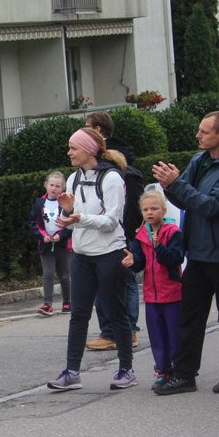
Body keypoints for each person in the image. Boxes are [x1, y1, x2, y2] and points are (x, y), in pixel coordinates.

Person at [45, 128, 136, 392]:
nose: (69, 152)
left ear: (88, 150)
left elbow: (111, 221)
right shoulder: (73, 179)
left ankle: (127, 369)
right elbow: (77, 222)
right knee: (79, 315)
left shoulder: (112, 179)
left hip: (110, 254)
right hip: (83, 256)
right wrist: (70, 214)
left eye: (73, 148)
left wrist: (79, 218)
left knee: (116, 312)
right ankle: (72, 372)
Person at [151, 110, 219, 395]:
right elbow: (185, 200)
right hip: (197, 254)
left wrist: (177, 184)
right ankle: (184, 375)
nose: (197, 135)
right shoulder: (200, 160)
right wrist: (169, 185)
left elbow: (210, 205)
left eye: (204, 132)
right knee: (190, 318)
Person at [85, 110, 141, 350]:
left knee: (112, 283)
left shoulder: (107, 164)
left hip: (113, 233)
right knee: (125, 282)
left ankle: (114, 332)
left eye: (87, 127)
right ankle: (128, 330)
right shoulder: (124, 157)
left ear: (97, 131)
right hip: (126, 230)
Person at [121, 189, 184, 387]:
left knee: (174, 333)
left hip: (172, 292)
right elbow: (140, 263)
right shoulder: (141, 235)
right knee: (156, 334)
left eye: (154, 208)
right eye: (146, 209)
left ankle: (179, 369)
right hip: (151, 295)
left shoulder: (172, 232)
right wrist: (132, 261)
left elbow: (176, 258)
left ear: (163, 210)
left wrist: (159, 248)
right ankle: (163, 370)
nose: (150, 213)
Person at [28, 171, 73, 316]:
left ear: (63, 188)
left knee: (65, 275)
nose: (54, 188)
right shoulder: (39, 203)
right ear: (46, 185)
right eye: (51, 185)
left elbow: (70, 224)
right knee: (48, 273)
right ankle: (47, 304)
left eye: (58, 186)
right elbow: (33, 223)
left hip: (62, 245)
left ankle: (68, 302)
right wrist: (43, 237)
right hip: (46, 245)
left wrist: (61, 236)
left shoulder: (65, 204)